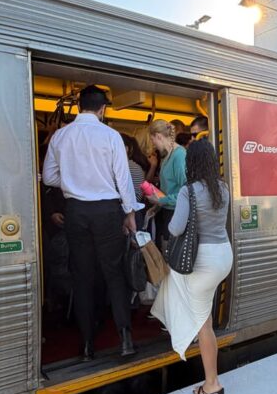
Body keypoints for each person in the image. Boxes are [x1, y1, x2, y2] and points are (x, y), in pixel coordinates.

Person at [42, 85, 139, 359]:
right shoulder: (110, 135)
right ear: (102, 109)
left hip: (76, 211)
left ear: (79, 106)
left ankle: (86, 345)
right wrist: (130, 213)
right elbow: (123, 179)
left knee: (82, 277)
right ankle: (125, 339)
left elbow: (48, 177)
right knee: (114, 273)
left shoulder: (61, 136)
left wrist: (72, 182)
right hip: (107, 210)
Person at [151, 139, 232, 394]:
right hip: (223, 256)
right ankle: (189, 331)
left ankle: (212, 383)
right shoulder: (223, 188)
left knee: (204, 325)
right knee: (200, 311)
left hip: (203, 262)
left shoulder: (189, 191)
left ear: (191, 163)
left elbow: (175, 228)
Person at [146, 119, 187, 244]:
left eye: (152, 140)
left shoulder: (179, 155)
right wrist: (157, 205)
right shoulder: (168, 155)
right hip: (169, 212)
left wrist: (160, 200)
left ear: (159, 136)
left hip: (176, 214)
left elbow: (186, 192)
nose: (153, 145)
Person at [121, 133, 151, 205]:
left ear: (126, 149)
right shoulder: (133, 166)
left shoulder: (126, 166)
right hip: (133, 206)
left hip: (128, 208)